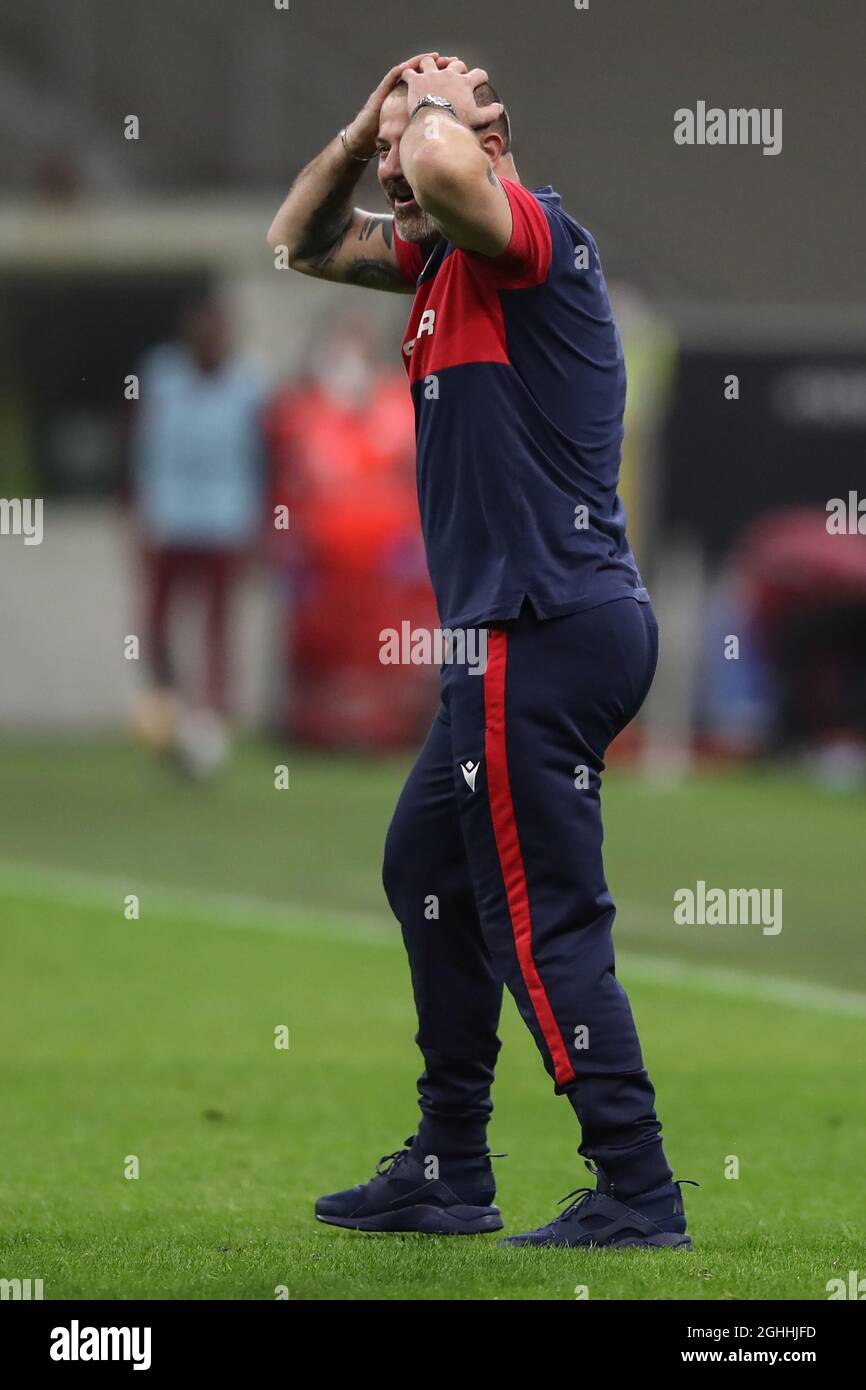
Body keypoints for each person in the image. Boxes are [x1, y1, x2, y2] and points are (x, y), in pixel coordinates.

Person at [267, 53, 691, 1248]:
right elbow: (292, 241)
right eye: (389, 155)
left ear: (482, 140)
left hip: (545, 627)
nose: (396, 175)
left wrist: (440, 117)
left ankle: (637, 1186)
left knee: (538, 916)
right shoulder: (438, 258)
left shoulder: (530, 237)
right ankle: (449, 1166)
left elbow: (454, 169)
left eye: (411, 151)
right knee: (428, 872)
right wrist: (363, 127)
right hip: (508, 635)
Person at [131, 295, 267, 775]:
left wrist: (267, 525)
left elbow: (264, 455)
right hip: (168, 515)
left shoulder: (250, 385)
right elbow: (138, 441)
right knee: (157, 620)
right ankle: (167, 703)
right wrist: (134, 512)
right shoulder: (161, 375)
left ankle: (208, 717)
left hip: (227, 519)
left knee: (217, 624)